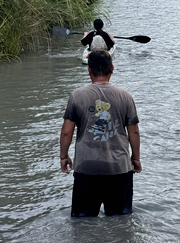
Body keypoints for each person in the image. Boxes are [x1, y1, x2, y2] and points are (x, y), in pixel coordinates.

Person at [59, 50, 141, 217]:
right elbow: (134, 131)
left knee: (82, 220)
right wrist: (136, 158)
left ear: (89, 70)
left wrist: (64, 156)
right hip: (119, 167)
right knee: (120, 220)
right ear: (112, 68)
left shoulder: (77, 96)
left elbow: (67, 132)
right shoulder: (125, 96)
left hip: (86, 167)